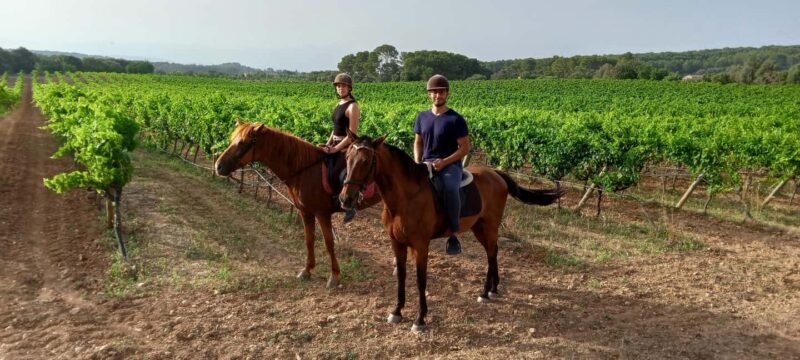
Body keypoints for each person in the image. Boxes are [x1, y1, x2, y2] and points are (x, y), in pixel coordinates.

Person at [413, 74, 471, 255]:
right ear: (429, 94)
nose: (437, 95)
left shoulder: (455, 119)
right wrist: (417, 162)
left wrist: (445, 162)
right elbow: (418, 143)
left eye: (441, 92)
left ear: (447, 94)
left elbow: (465, 148)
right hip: (426, 163)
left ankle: (453, 233)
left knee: (450, 188)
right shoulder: (421, 117)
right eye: (434, 92)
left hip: (450, 165)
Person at [323, 73, 360, 222]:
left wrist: (336, 149)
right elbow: (335, 129)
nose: (340, 88)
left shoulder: (352, 106)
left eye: (343, 86)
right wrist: (328, 143)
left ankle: (352, 205)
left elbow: (352, 134)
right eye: (338, 86)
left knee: (343, 174)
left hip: (347, 147)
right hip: (335, 144)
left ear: (349, 88)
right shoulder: (338, 105)